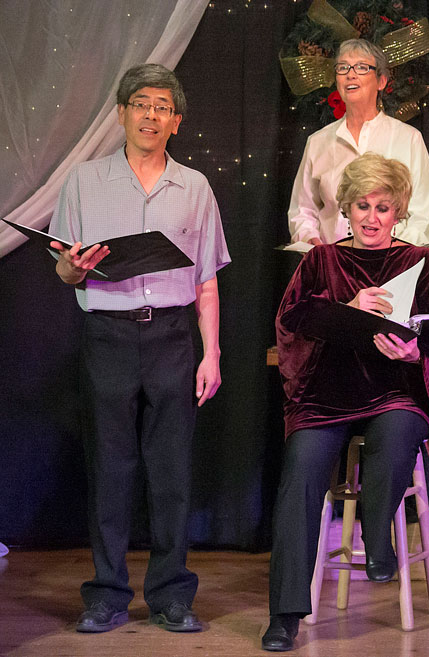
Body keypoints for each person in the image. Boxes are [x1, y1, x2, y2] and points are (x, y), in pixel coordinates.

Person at [49, 63, 230, 634]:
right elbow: (63, 270)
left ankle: (172, 595)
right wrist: (72, 267)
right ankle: (105, 595)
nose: (150, 115)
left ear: (176, 121)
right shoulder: (84, 180)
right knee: (110, 468)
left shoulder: (195, 186)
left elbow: (207, 279)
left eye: (162, 107)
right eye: (140, 104)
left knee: (171, 471)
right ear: (121, 113)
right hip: (109, 336)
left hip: (173, 336)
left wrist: (212, 353)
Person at [262, 153, 429, 651]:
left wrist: (414, 351)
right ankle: (285, 613)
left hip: (393, 391)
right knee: (300, 474)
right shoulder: (321, 260)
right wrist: (345, 309)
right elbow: (290, 323)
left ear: (398, 211)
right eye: (362, 205)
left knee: (396, 437)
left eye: (383, 207)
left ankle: (377, 532)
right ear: (345, 210)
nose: (371, 217)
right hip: (325, 394)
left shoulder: (421, 262)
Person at [287, 38, 429, 248]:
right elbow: (302, 210)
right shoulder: (318, 142)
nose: (350, 74)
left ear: (382, 81)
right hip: (332, 268)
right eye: (343, 67)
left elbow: (422, 215)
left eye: (362, 67)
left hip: (392, 268)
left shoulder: (409, 139)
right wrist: (313, 243)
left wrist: (393, 256)